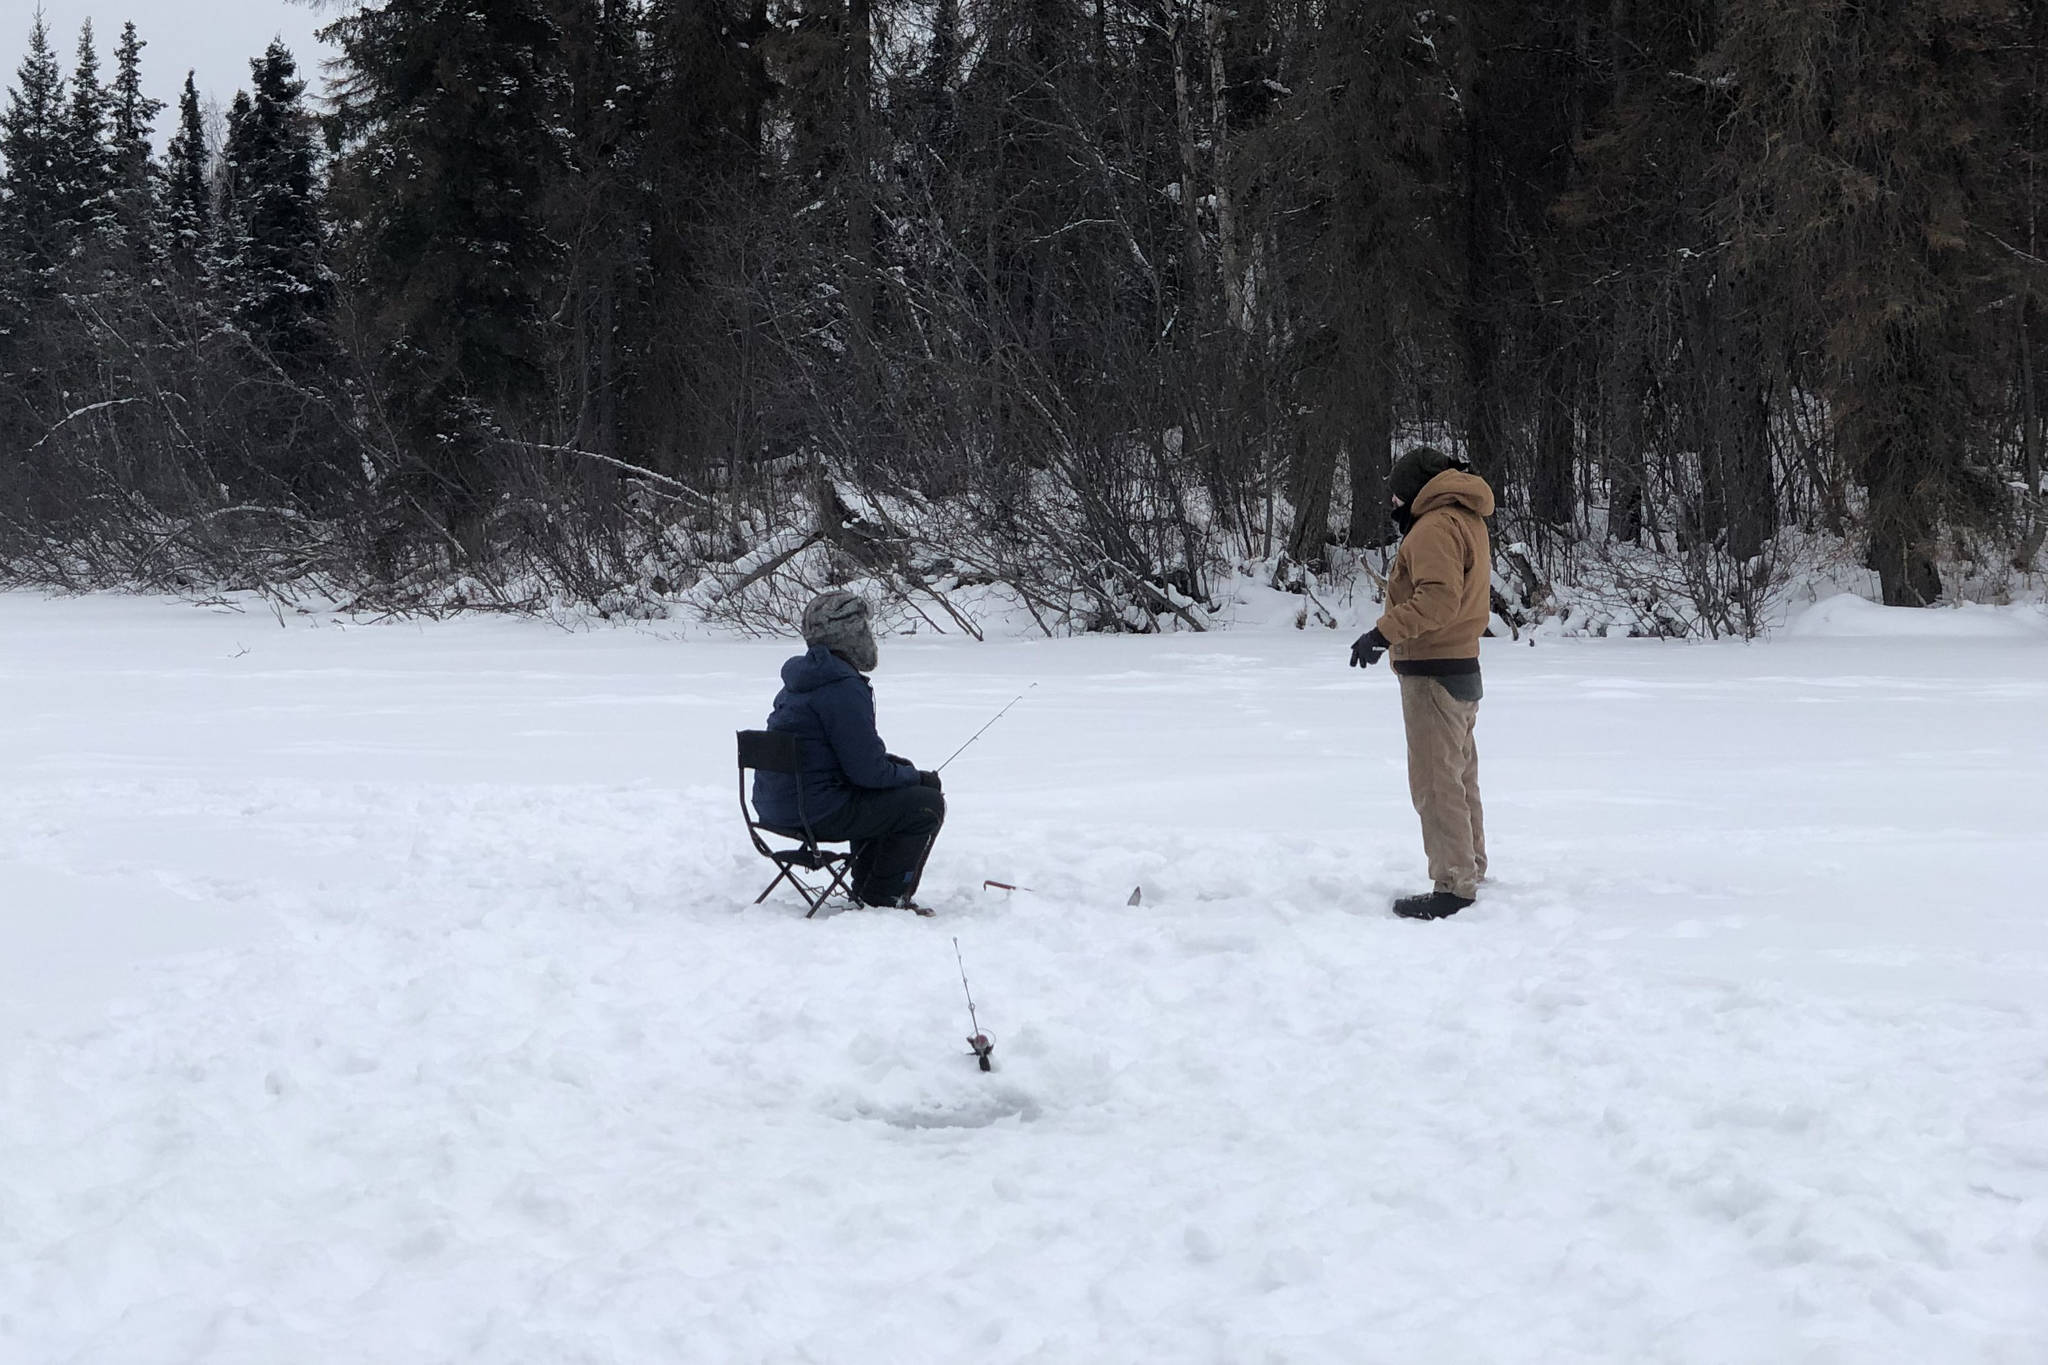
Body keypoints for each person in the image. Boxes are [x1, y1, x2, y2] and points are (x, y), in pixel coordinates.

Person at [1349, 446, 1494, 920]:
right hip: (1461, 665)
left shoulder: (1434, 526)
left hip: (1434, 669)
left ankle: (1454, 884)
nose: (1392, 503)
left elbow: (1438, 600)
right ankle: (1470, 864)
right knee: (1458, 774)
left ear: (1414, 490)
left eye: (1396, 493)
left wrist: (1380, 633)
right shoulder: (1466, 518)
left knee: (1435, 781)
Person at [752, 591, 945, 913]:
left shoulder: (802, 681)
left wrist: (900, 770)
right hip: (816, 812)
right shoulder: (842, 687)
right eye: (865, 629)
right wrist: (914, 776)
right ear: (850, 635)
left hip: (779, 805)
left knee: (895, 785)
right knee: (925, 803)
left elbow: (847, 760)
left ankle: (869, 887)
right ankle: (883, 897)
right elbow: (868, 773)